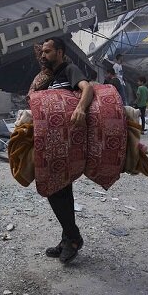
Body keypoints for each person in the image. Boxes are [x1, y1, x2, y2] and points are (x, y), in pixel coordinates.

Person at [38, 37, 93, 264]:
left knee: (56, 190)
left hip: (69, 142)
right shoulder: (51, 79)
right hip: (54, 142)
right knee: (60, 190)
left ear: (60, 52)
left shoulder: (70, 69)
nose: (43, 55)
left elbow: (86, 88)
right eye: (42, 52)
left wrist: (80, 108)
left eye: (48, 51)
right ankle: (66, 239)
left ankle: (73, 239)